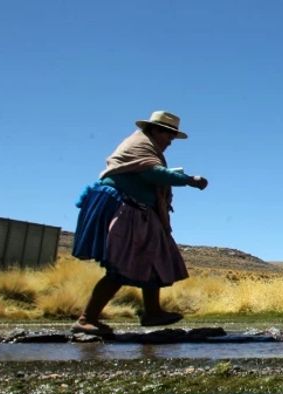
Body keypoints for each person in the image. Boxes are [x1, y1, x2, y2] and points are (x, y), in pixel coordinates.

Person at [71, 111, 209, 335]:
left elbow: (151, 173)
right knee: (120, 266)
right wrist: (188, 180)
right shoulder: (139, 145)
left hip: (139, 211)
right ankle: (87, 319)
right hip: (123, 209)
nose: (170, 142)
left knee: (152, 258)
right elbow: (152, 173)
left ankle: (152, 312)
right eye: (168, 136)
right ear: (155, 130)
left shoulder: (148, 148)